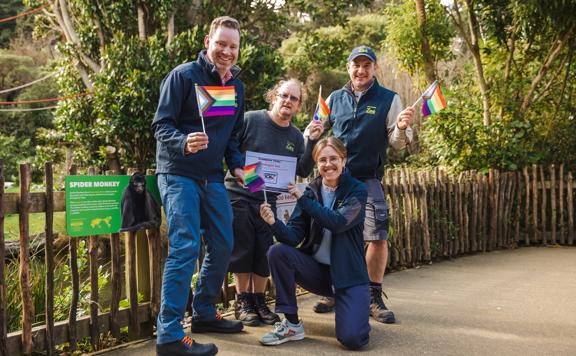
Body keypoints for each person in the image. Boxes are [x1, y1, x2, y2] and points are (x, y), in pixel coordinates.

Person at [152, 16, 246, 356]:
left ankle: (204, 312)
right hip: (178, 173)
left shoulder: (236, 86)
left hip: (213, 177)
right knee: (185, 246)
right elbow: (161, 125)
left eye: (233, 46)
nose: (226, 51)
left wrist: (237, 166)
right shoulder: (182, 76)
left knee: (223, 244)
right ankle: (170, 335)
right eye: (221, 43)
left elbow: (233, 136)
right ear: (208, 41)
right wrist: (182, 141)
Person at [311, 46, 415, 324]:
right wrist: (314, 133)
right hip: (334, 180)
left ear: (375, 68)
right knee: (330, 233)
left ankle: (372, 295)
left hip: (368, 180)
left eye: (366, 65)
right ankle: (332, 290)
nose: (361, 70)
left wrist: (403, 127)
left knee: (377, 236)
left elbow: (397, 143)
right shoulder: (334, 98)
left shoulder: (389, 99)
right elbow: (318, 131)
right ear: (348, 68)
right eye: (356, 65)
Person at [225, 79, 324, 326]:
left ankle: (259, 301)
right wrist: (244, 173)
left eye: (294, 98)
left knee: (264, 250)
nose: (288, 101)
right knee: (243, 248)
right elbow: (232, 148)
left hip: (270, 201)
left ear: (299, 106)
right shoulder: (251, 119)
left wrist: (311, 141)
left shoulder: (294, 135)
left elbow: (300, 168)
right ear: (273, 96)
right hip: (240, 194)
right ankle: (243, 301)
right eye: (284, 95)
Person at [259, 137, 370, 350]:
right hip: (318, 273)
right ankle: (291, 324)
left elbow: (337, 223)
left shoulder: (357, 190)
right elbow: (293, 237)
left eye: (333, 159)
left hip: (349, 275)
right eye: (322, 160)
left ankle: (353, 306)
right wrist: (273, 223)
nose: (328, 165)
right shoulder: (311, 192)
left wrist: (303, 200)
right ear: (317, 164)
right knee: (278, 252)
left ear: (344, 160)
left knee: (353, 340)